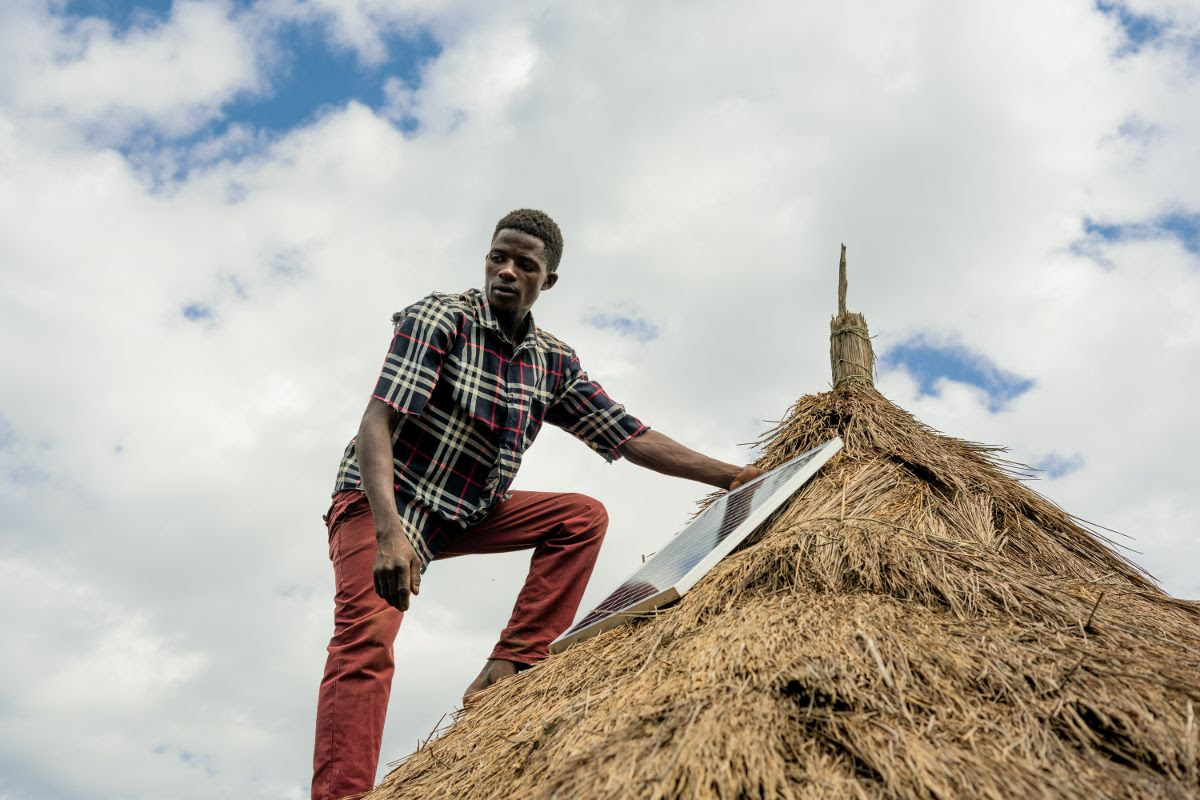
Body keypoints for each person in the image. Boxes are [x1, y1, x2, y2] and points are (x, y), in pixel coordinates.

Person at [312, 209, 763, 800]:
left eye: (524, 265)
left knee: (581, 517)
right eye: (498, 257)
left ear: (545, 282)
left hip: (465, 511)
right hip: (387, 501)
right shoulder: (440, 318)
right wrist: (390, 532)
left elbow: (630, 436)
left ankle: (513, 662)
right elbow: (378, 421)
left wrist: (733, 476)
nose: (506, 271)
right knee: (367, 638)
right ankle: (342, 795)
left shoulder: (552, 362)